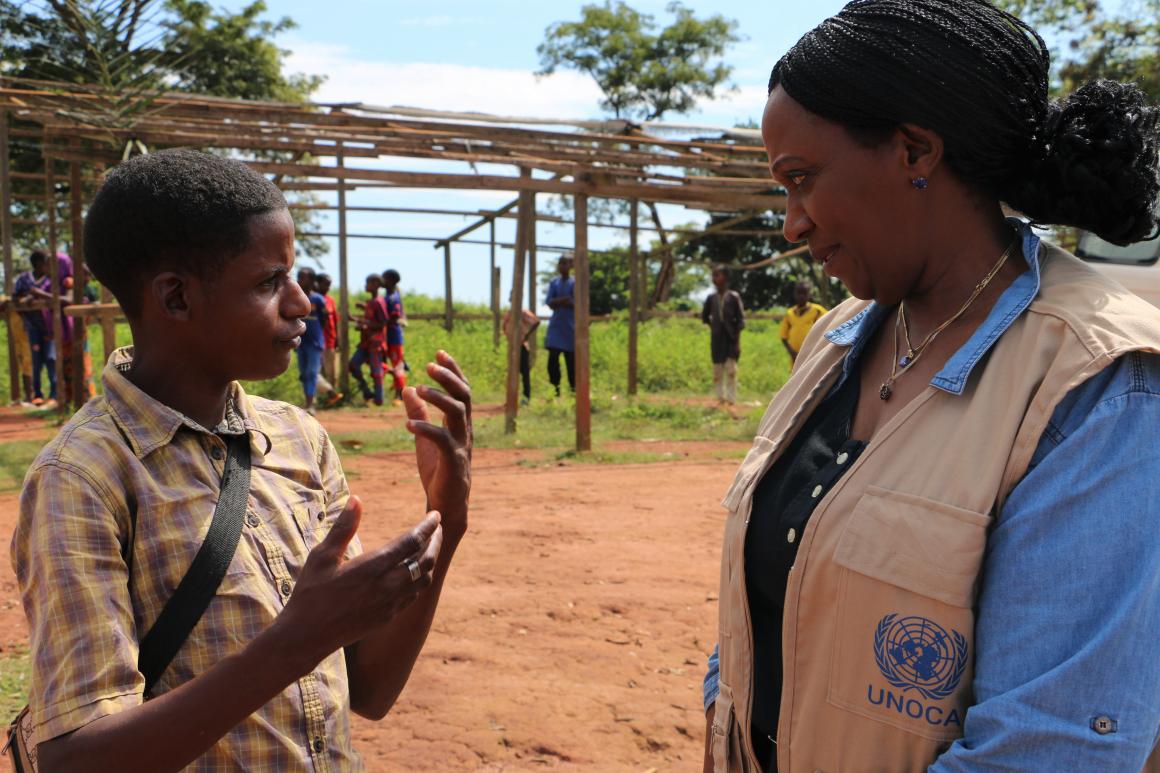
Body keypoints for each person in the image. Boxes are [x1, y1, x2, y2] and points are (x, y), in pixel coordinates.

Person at [702, 3, 1160, 772]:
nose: (790, 224)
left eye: (802, 179)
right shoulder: (836, 339)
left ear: (914, 150)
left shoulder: (1095, 385)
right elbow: (757, 614)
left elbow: (1046, 747)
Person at [11, 149, 473, 772]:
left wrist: (447, 514)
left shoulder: (298, 438)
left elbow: (369, 688)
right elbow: (77, 761)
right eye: (268, 282)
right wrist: (297, 641)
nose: (300, 303)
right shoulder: (85, 477)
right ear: (176, 298)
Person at [12, 250, 57, 405]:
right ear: (39, 264)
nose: (49, 266)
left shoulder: (51, 279)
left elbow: (57, 297)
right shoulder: (24, 279)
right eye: (47, 263)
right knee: (35, 360)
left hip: (50, 327)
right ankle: (37, 394)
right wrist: (25, 300)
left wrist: (36, 295)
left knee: (51, 358)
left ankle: (54, 394)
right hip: (32, 327)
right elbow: (15, 298)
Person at [701, 266, 745, 405]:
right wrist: (715, 327)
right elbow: (705, 317)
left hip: (731, 339)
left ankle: (731, 399)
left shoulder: (733, 297)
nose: (714, 278)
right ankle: (720, 398)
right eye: (713, 276)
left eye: (717, 275)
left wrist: (737, 342)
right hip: (716, 340)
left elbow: (740, 320)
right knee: (717, 370)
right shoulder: (711, 298)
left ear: (725, 278)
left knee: (731, 370)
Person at [294, 266, 331, 415]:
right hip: (300, 341)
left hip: (315, 342)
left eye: (303, 277)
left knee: (311, 372)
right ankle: (308, 402)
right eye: (299, 277)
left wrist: (315, 331)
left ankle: (310, 404)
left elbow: (324, 318)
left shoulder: (318, 299)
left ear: (311, 280)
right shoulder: (296, 297)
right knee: (304, 373)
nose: (300, 280)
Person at [350, 273, 390, 406]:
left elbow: (383, 323)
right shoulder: (371, 302)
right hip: (366, 342)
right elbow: (370, 320)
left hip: (375, 342)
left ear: (376, 285)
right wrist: (358, 320)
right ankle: (366, 391)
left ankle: (379, 398)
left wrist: (365, 325)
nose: (365, 285)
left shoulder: (378, 302)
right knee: (353, 365)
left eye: (368, 283)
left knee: (376, 370)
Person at [544, 254, 575, 396]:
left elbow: (576, 302)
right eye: (560, 263)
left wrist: (559, 301)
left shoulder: (575, 282)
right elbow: (549, 302)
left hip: (570, 328)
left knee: (571, 363)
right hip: (556, 327)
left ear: (571, 265)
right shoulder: (554, 283)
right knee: (552, 361)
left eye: (565, 263)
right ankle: (555, 390)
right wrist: (564, 300)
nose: (562, 266)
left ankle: (574, 391)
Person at [778, 281, 827, 364]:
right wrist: (792, 353)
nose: (801, 296)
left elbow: (829, 328)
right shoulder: (789, 313)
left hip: (812, 355)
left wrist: (817, 350)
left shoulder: (818, 311)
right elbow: (783, 337)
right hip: (795, 357)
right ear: (794, 294)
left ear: (809, 295)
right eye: (799, 293)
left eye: (804, 293)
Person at [503, 306, 540, 405]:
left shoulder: (522, 312)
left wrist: (526, 334)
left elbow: (536, 321)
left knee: (524, 373)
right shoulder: (509, 313)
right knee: (512, 373)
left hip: (521, 346)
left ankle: (526, 397)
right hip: (512, 347)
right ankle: (511, 399)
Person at [315, 272, 342, 406]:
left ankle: (332, 399)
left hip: (330, 341)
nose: (327, 287)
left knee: (332, 373)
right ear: (317, 284)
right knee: (318, 372)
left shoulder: (330, 300)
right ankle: (322, 398)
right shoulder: (313, 300)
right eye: (325, 284)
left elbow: (335, 320)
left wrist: (337, 339)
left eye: (329, 285)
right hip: (317, 342)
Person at [382, 269, 407, 405]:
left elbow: (394, 317)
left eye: (384, 278)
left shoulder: (393, 298)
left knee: (397, 365)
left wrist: (379, 323)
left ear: (391, 281)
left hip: (394, 336)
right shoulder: (388, 295)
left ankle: (400, 395)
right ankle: (398, 386)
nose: (382, 281)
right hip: (388, 336)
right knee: (394, 365)